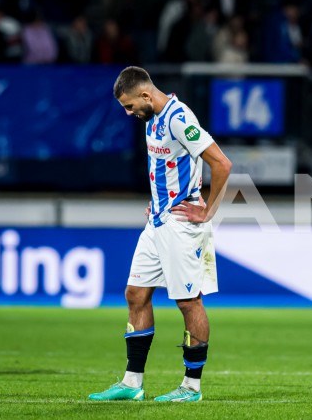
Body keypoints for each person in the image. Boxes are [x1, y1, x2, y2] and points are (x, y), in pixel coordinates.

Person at [89, 66, 232, 402]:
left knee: (188, 301)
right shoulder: (151, 117)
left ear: (145, 94)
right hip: (156, 222)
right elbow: (166, 168)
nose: (128, 113)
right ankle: (132, 383)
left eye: (129, 105)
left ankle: (191, 387)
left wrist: (207, 210)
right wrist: (155, 202)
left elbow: (221, 164)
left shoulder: (178, 117)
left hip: (181, 226)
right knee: (135, 294)